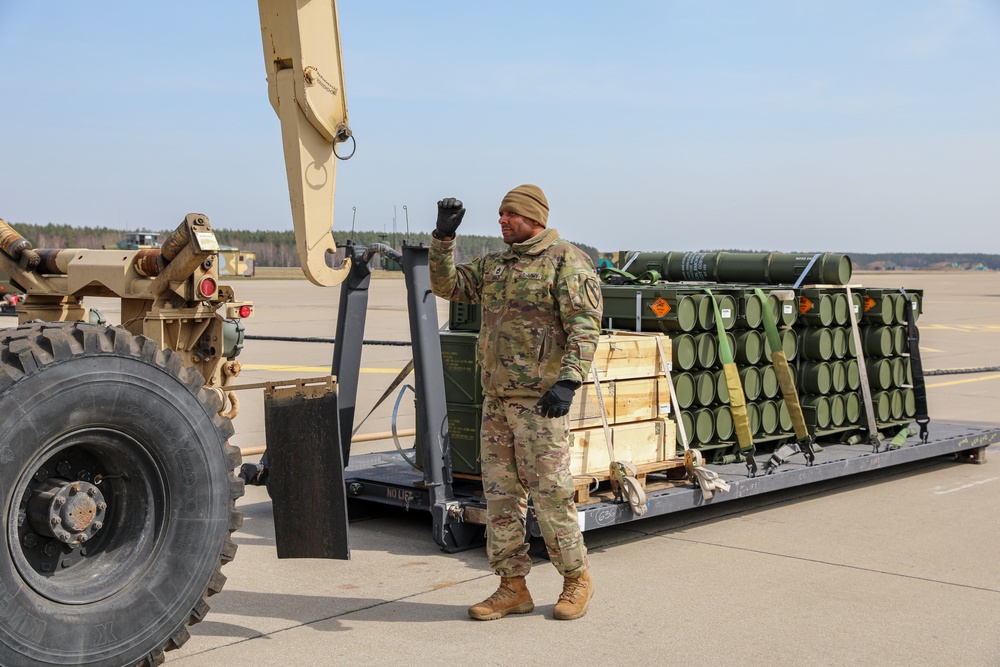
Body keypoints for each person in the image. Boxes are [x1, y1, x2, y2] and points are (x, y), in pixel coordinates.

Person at [428, 184, 603, 621]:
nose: (502, 220)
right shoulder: (496, 264)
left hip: (541, 402)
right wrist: (442, 240)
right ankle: (512, 587)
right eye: (500, 214)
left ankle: (576, 579)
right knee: (501, 499)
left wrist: (568, 382)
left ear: (533, 218)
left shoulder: (566, 260)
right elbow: (449, 285)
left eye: (510, 214)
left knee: (552, 496)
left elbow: (585, 325)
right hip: (497, 400)